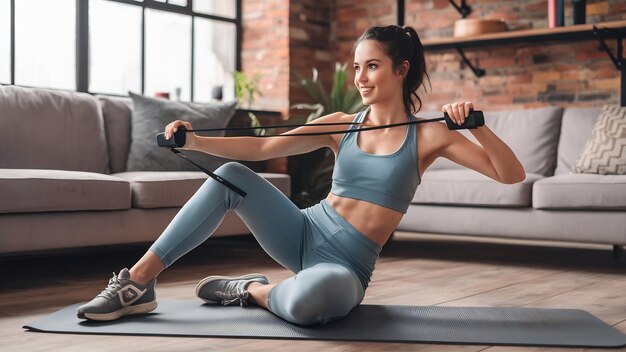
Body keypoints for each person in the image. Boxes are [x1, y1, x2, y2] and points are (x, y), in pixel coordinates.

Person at [77, 25, 526, 325]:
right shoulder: (339, 123)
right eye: (357, 67)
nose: (361, 78)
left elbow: (511, 175)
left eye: (372, 65)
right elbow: (263, 147)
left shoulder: (429, 135)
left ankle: (251, 290)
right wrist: (194, 142)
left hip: (346, 265)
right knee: (232, 175)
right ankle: (137, 283)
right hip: (303, 230)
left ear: (401, 70)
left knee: (311, 305)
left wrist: (478, 128)